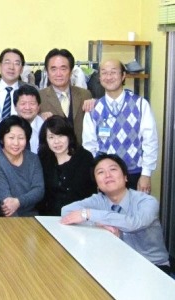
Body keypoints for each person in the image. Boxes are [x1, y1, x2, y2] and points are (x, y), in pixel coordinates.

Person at [61, 154, 171, 274]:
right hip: (115, 264)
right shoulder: (98, 200)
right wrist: (100, 224)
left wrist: (89, 214)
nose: (108, 175)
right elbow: (66, 211)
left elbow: (133, 223)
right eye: (100, 172)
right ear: (97, 184)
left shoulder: (147, 201)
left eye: (113, 169)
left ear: (125, 177)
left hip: (152, 266)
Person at [82, 59, 158, 193]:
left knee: (135, 213)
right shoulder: (93, 108)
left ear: (123, 75)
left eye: (113, 72)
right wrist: (97, 174)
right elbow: (90, 146)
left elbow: (150, 141)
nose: (109, 77)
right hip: (106, 177)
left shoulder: (140, 104)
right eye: (104, 73)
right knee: (106, 213)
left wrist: (146, 174)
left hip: (135, 173)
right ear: (99, 78)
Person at [0, 115, 44, 216]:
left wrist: (18, 202)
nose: (16, 143)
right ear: (2, 139)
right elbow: (5, 203)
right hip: (3, 218)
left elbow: (39, 190)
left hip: (32, 216)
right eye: (11, 138)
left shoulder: (33, 159)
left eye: (21, 138)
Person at [38, 116, 96, 216]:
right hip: (49, 218)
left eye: (60, 136)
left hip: (79, 217)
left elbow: (92, 193)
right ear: (45, 140)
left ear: (69, 136)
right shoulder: (43, 159)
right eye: (51, 137)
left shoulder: (85, 158)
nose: (56, 142)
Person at [39, 48, 93, 144]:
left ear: (71, 71)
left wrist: (96, 103)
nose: (58, 74)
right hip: (51, 155)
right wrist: (38, 117)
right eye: (53, 69)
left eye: (63, 68)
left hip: (80, 153)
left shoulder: (85, 95)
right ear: (47, 72)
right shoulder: (39, 97)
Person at [0, 84, 44, 153]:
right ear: (15, 106)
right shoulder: (4, 125)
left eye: (32, 103)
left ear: (38, 106)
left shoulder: (45, 126)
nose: (27, 107)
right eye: (23, 103)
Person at [0, 48, 31, 120]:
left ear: (22, 69)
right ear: (0, 66)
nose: (11, 67)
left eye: (16, 63)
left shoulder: (31, 90)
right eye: (7, 62)